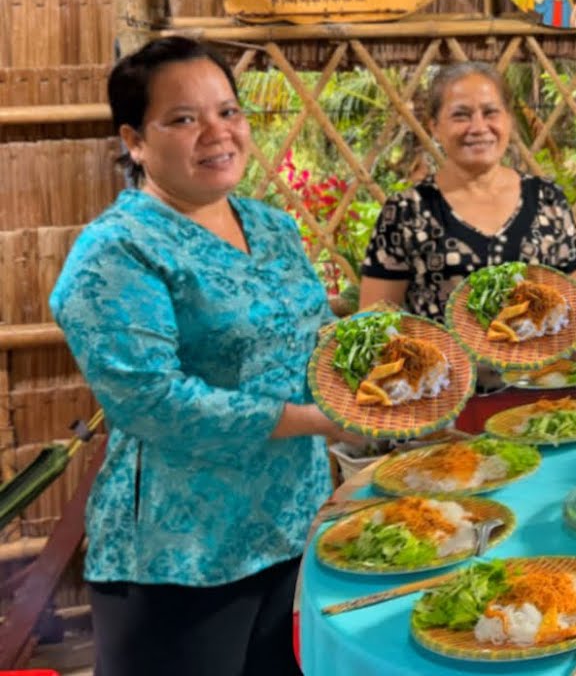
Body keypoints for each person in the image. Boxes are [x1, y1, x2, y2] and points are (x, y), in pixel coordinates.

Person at [48, 37, 362, 675]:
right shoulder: (117, 251)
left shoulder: (270, 226)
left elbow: (314, 336)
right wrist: (319, 420)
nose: (217, 133)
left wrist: (384, 375)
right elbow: (153, 402)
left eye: (228, 111)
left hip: (288, 524)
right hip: (178, 554)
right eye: (184, 119)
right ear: (135, 141)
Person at [359, 61, 576, 320]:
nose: (478, 127)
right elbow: (373, 321)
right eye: (461, 115)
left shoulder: (547, 199)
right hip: (439, 349)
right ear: (434, 126)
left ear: (509, 120)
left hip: (542, 348)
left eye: (490, 113)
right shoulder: (406, 212)